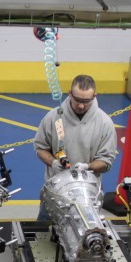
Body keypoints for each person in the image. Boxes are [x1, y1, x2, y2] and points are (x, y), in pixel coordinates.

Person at [34, 74, 117, 221]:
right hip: (55, 192)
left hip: (88, 194)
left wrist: (87, 167)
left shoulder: (105, 123)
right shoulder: (53, 117)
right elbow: (40, 148)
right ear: (69, 93)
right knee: (43, 233)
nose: (80, 105)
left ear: (94, 96)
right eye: (77, 100)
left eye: (86, 101)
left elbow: (106, 161)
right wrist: (53, 162)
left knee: (84, 236)